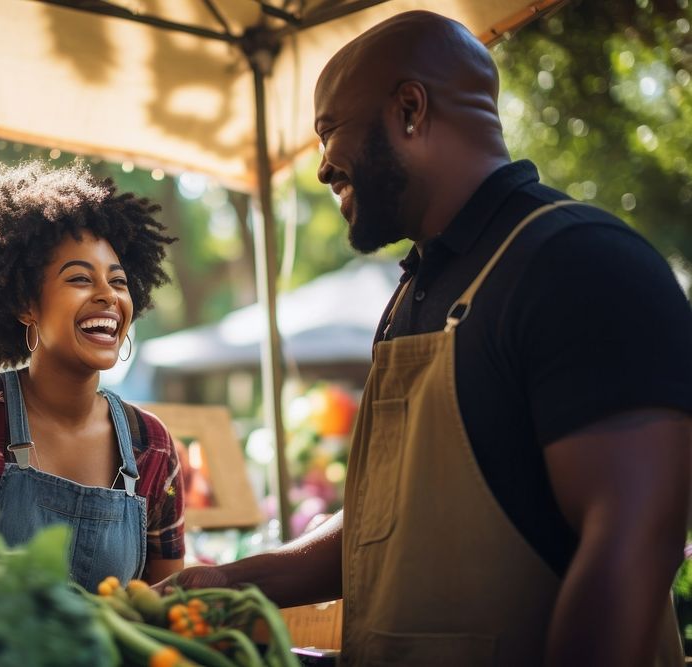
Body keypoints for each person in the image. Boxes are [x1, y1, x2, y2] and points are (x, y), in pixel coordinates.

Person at [164, 10, 692, 667]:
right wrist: (231, 581)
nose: (324, 168)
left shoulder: (579, 262)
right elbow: (378, 525)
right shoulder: (412, 292)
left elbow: (636, 538)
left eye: (330, 132)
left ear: (410, 109)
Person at [0, 161, 185, 592]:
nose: (107, 296)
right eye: (79, 278)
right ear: (26, 305)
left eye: (118, 282)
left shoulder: (152, 446)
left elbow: (167, 602)